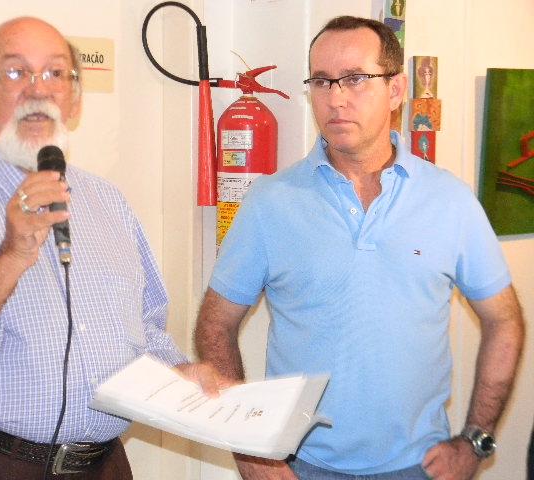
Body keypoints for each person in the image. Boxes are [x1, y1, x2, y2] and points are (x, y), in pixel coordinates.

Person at [194, 15, 524, 480]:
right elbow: (215, 324)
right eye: (322, 81)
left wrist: (475, 441)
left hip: (419, 467)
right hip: (301, 467)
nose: (335, 98)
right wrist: (249, 448)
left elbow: (504, 320)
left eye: (355, 79)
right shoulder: (271, 202)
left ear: (396, 90)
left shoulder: (449, 201)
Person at [0, 17, 192, 479]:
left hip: (104, 465)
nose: (38, 90)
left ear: (74, 98)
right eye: (16, 72)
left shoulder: (109, 202)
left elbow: (145, 328)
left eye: (55, 73)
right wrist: (10, 257)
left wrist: (186, 377)